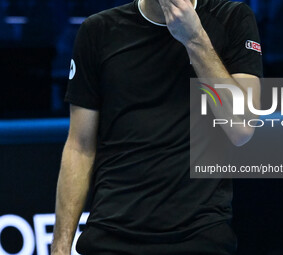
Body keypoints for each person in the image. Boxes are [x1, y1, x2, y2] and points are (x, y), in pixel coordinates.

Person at [51, 0, 263, 254]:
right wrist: (60, 246)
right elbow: (79, 147)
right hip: (111, 233)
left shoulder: (232, 18)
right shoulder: (98, 30)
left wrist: (194, 38)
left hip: (199, 234)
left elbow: (241, 128)